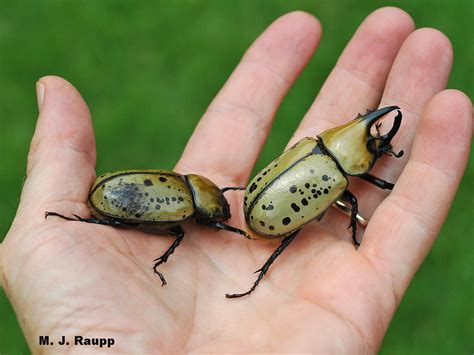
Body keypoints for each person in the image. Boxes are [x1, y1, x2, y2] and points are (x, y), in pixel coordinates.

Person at [0, 7, 471, 353]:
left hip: (280, 187)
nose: (380, 151)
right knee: (303, 226)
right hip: (275, 205)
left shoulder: (314, 145)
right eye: (377, 148)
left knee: (296, 225)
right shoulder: (329, 171)